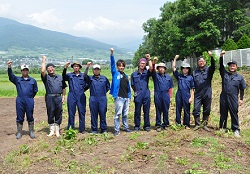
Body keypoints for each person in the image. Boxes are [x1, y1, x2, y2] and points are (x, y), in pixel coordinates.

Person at [219, 51, 246, 137]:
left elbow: (242, 89)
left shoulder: (240, 77)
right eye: (230, 66)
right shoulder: (225, 74)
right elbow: (220, 67)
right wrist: (221, 57)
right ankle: (223, 127)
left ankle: (235, 129)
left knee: (234, 113)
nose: (232, 67)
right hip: (223, 97)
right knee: (223, 113)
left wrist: (241, 99)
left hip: (233, 97)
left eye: (233, 65)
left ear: (236, 67)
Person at [8, 61, 38, 139]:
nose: (25, 71)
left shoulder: (33, 80)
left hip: (29, 100)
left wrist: (30, 97)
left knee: (30, 115)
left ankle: (31, 131)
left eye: (26, 70)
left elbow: (35, 90)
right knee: (20, 116)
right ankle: (19, 132)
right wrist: (9, 67)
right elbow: (11, 76)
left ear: (28, 71)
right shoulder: (17, 80)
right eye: (23, 70)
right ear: (21, 71)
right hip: (20, 100)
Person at [41, 56, 67, 137]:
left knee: (59, 112)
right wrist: (44, 61)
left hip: (58, 97)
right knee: (50, 112)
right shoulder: (46, 77)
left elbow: (64, 87)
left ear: (54, 68)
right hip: (50, 97)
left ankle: (57, 130)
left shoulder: (60, 77)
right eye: (48, 68)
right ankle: (52, 130)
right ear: (47, 69)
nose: (50, 69)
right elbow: (42, 71)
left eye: (51, 67)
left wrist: (63, 96)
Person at [110, 48, 132, 136]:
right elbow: (112, 65)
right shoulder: (115, 73)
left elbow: (128, 87)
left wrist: (129, 96)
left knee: (125, 114)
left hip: (126, 97)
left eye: (122, 66)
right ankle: (116, 129)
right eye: (119, 66)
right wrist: (112, 54)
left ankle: (125, 127)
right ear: (117, 66)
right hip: (119, 97)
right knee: (118, 114)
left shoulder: (126, 75)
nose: (121, 67)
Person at [63, 61, 89, 133]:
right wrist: (65, 68)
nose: (76, 67)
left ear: (79, 67)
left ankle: (82, 129)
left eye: (77, 66)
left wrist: (82, 90)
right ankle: (71, 128)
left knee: (82, 112)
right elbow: (63, 77)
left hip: (81, 95)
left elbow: (88, 84)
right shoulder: (70, 75)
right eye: (74, 66)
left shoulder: (83, 75)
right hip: (72, 95)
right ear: (73, 67)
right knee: (71, 112)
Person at [84, 63, 110, 134]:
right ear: (93, 70)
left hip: (102, 98)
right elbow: (85, 76)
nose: (96, 71)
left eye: (97, 69)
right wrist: (87, 67)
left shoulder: (104, 78)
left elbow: (107, 87)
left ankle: (103, 129)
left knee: (103, 113)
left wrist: (103, 93)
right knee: (94, 114)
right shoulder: (90, 79)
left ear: (100, 70)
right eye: (95, 69)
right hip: (93, 98)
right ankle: (94, 129)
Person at [192, 51, 215, 131]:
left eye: (202, 61)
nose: (201, 63)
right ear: (198, 63)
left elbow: (213, 66)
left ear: (205, 62)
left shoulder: (209, 70)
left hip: (207, 92)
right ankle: (197, 124)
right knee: (196, 109)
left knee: (207, 109)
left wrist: (211, 57)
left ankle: (205, 124)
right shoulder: (194, 72)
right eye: (199, 61)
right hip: (197, 93)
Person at [130, 54, 153, 132]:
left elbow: (151, 68)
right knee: (137, 111)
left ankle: (146, 126)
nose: (142, 64)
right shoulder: (134, 74)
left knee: (146, 111)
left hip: (146, 93)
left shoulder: (147, 73)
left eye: (144, 63)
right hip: (138, 94)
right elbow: (132, 85)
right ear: (139, 64)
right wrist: (136, 92)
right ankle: (137, 126)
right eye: (141, 63)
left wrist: (149, 59)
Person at [172, 55, 195, 129]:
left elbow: (192, 88)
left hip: (187, 95)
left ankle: (186, 124)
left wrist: (191, 97)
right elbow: (173, 68)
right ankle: (178, 123)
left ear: (188, 69)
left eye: (186, 68)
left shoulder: (190, 77)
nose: (185, 69)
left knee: (186, 110)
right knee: (178, 109)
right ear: (182, 69)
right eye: (183, 68)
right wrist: (175, 58)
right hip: (179, 94)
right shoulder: (179, 76)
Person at [151, 57, 174, 132]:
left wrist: (170, 97)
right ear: (158, 69)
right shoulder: (155, 76)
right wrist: (154, 62)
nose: (161, 69)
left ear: (165, 69)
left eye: (162, 68)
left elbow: (170, 87)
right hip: (158, 94)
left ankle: (166, 124)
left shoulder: (168, 77)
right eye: (160, 68)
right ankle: (158, 125)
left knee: (166, 110)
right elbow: (153, 70)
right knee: (158, 110)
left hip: (166, 95)